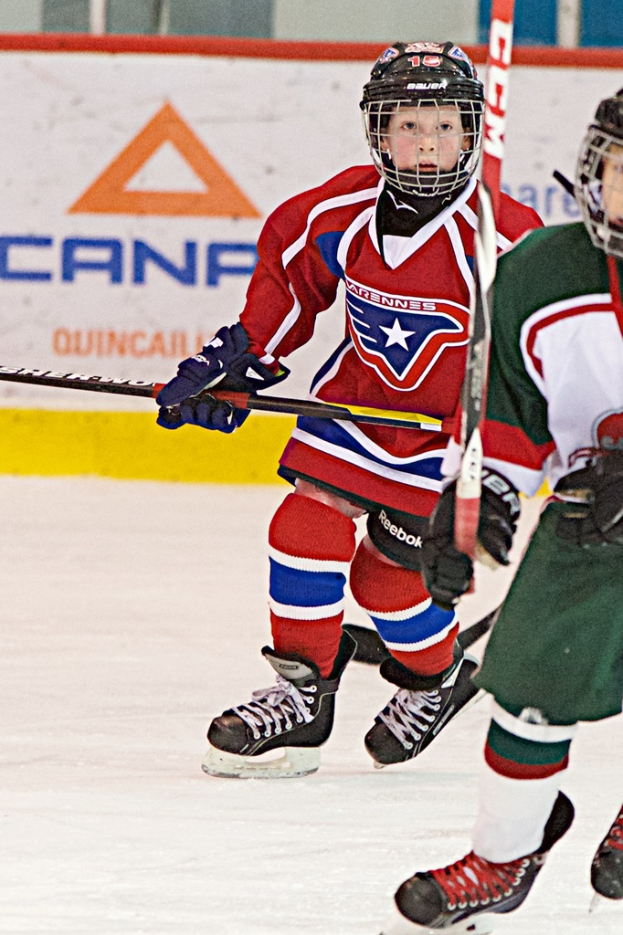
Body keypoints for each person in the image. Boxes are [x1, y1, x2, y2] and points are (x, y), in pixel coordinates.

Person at [156, 42, 541, 780]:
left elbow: (550, 340)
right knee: (301, 526)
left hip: (447, 438)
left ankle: (433, 677)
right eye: (406, 126)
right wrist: (237, 364)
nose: (425, 142)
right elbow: (289, 282)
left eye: (442, 126)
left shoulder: (508, 237)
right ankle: (303, 696)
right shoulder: (341, 208)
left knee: (387, 584)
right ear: (377, 133)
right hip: (355, 408)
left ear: (471, 132)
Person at [381, 88, 623, 933]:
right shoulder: (542, 271)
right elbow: (511, 421)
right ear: (593, 176)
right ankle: (501, 855)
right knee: (525, 686)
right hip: (590, 523)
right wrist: (473, 505)